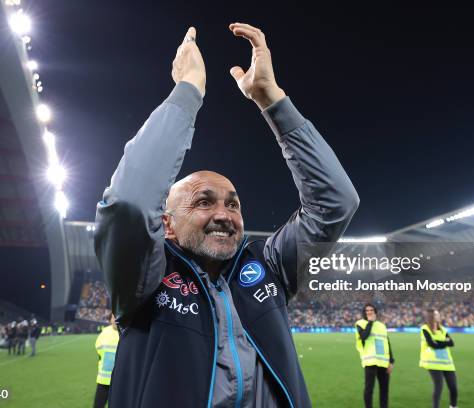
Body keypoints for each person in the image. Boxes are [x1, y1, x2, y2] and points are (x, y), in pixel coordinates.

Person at [94, 23, 359, 407]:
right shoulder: (142, 277)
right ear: (166, 224)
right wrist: (189, 90)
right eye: (204, 202)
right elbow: (129, 204)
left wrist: (273, 101)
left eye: (233, 204)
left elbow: (336, 203)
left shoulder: (269, 268)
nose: (224, 214)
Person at [355, 303, 394, 408]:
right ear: (364, 312)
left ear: (375, 312)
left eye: (371, 310)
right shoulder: (360, 323)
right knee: (369, 389)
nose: (369, 312)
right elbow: (364, 336)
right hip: (370, 361)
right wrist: (370, 322)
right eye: (367, 310)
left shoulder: (382, 325)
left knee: (384, 390)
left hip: (383, 362)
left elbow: (387, 343)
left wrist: (391, 361)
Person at [419, 309, 458, 408]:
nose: (439, 315)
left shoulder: (443, 329)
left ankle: (453, 406)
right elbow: (432, 344)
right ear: (431, 316)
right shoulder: (425, 329)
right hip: (433, 362)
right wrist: (444, 342)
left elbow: (452, 343)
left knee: (453, 388)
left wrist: (438, 342)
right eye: (436, 314)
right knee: (438, 388)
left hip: (447, 362)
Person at [94, 315, 119, 408]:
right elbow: (98, 349)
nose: (115, 319)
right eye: (113, 317)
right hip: (103, 380)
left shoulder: (125, 332)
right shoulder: (105, 332)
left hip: (118, 381)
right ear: (110, 319)